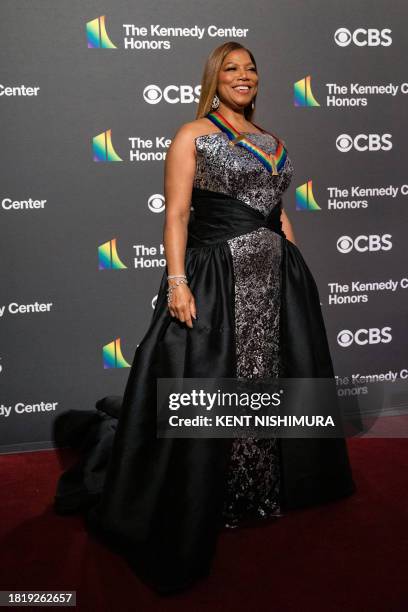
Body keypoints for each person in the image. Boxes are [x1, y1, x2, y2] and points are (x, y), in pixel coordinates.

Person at [53, 41, 355, 595]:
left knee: (269, 381)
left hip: (275, 281)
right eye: (231, 70)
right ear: (214, 80)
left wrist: (297, 267)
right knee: (215, 382)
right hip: (217, 279)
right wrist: (176, 281)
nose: (243, 77)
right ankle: (210, 494)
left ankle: (264, 485)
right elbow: (176, 214)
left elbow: (276, 208)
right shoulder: (193, 135)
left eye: (251, 69)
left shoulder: (273, 142)